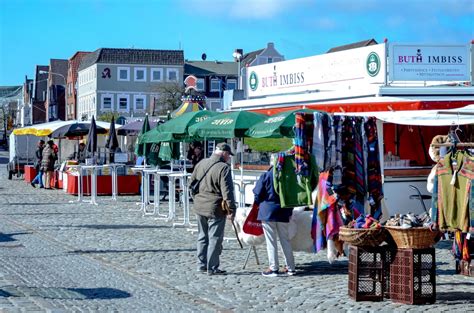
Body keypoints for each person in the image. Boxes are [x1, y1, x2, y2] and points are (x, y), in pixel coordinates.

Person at [189, 142, 236, 275]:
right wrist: (231, 210)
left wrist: (196, 198)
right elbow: (227, 191)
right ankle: (212, 267)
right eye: (228, 155)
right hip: (215, 207)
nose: (229, 158)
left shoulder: (202, 163)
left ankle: (201, 264)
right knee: (215, 238)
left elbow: (191, 183)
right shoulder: (223, 168)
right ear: (224, 153)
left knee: (202, 236)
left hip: (199, 205)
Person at [253, 155, 296, 277]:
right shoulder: (288, 176)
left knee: (271, 241)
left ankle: (274, 268)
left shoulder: (267, 175)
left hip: (268, 211)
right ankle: (290, 267)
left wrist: (258, 203)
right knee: (285, 240)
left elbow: (257, 194)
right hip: (283, 210)